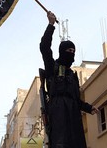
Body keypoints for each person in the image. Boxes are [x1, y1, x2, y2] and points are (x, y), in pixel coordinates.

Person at [40, 11, 99, 148]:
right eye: (69, 51)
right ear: (62, 51)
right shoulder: (52, 68)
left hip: (73, 115)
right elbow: (44, 48)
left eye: (73, 51)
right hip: (58, 113)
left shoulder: (72, 75)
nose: (71, 54)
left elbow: (77, 100)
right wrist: (50, 25)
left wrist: (89, 108)